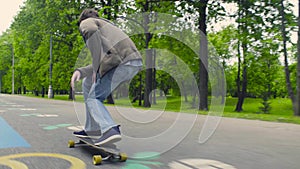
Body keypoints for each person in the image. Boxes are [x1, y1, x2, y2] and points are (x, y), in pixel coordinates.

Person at [70, 8, 142, 145]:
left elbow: (90, 31)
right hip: (130, 63)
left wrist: (96, 67)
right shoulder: (107, 29)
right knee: (87, 83)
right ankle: (92, 129)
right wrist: (81, 71)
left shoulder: (87, 23)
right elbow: (108, 58)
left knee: (94, 97)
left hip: (122, 63)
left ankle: (110, 129)